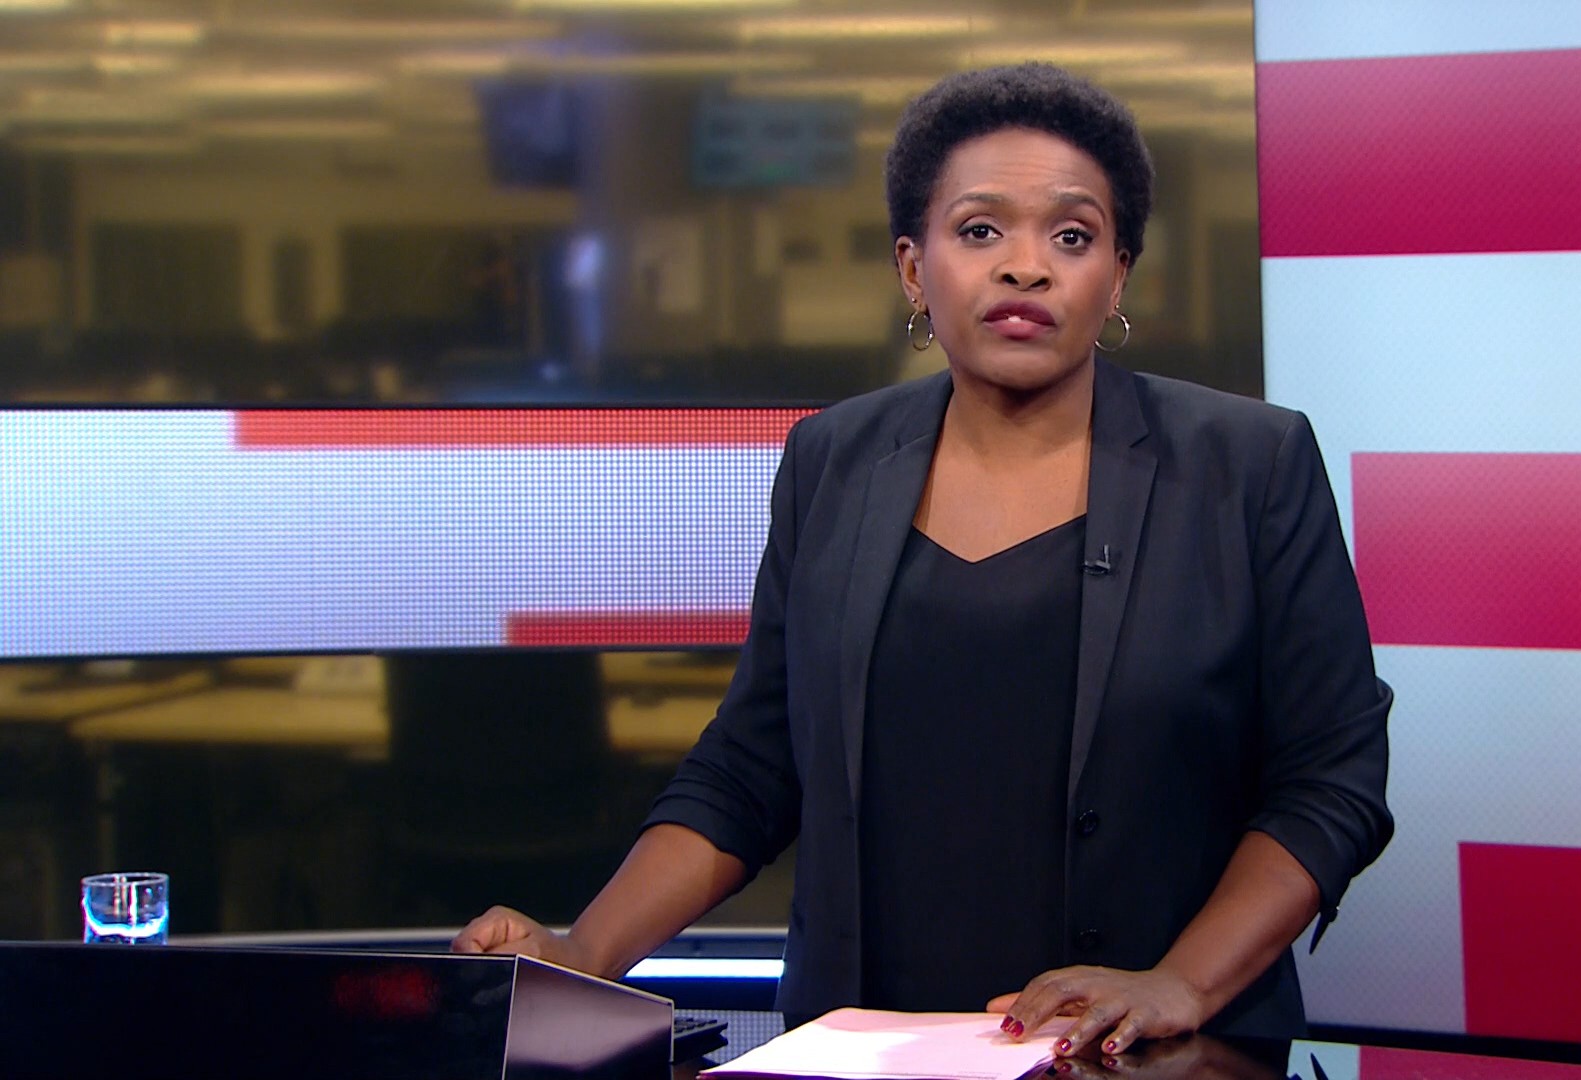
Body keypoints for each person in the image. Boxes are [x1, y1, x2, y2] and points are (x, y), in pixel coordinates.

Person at [453, 63, 1392, 1061]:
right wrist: (583, 951)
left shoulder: (1248, 465)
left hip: (1147, 1058)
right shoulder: (831, 459)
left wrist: (1180, 983)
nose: (1025, 268)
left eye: (1071, 237)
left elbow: (1330, 777)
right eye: (980, 231)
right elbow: (752, 765)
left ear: (1118, 275)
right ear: (912, 268)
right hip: (864, 1047)